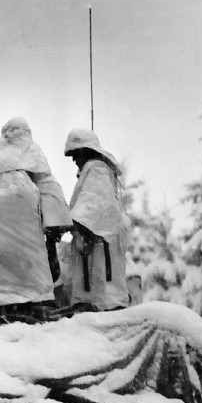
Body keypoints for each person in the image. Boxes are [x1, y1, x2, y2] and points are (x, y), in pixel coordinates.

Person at [0, 117, 72, 324]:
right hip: (22, 206)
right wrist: (55, 228)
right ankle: (31, 306)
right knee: (32, 267)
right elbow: (50, 188)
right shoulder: (32, 153)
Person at [63, 128, 130, 310]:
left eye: (76, 155)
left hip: (101, 246)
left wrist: (69, 223)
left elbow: (93, 209)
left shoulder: (96, 169)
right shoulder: (96, 170)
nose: (75, 161)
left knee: (105, 298)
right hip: (101, 244)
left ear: (85, 150)